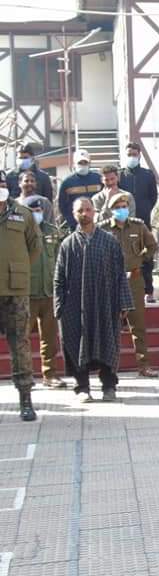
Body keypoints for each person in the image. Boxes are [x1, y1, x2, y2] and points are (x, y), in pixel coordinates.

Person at [54, 197, 132, 403]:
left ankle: (108, 385)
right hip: (75, 307)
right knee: (76, 343)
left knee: (107, 341)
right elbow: (59, 278)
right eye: (81, 210)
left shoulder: (109, 241)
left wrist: (124, 302)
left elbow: (120, 274)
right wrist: (59, 307)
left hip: (105, 304)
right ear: (74, 214)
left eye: (88, 210)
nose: (85, 214)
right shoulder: (67, 245)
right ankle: (82, 387)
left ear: (94, 212)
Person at [99, 194, 159, 378]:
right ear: (111, 209)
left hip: (134, 280)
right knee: (110, 326)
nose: (121, 209)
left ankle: (144, 366)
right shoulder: (102, 229)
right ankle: (109, 368)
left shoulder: (138, 226)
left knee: (138, 325)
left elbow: (152, 246)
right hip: (110, 282)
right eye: (118, 206)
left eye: (124, 205)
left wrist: (140, 260)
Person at [1, 171, 41, 420]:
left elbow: (34, 248)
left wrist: (18, 268)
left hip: (15, 290)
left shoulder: (22, 213)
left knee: (21, 345)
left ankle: (25, 399)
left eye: (2, 183)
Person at [23, 196, 66, 390]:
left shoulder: (52, 231)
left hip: (49, 292)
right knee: (22, 338)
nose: (36, 214)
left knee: (49, 337)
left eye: (39, 210)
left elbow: (58, 260)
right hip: (27, 292)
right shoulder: (19, 232)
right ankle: (25, 376)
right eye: (32, 211)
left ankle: (50, 374)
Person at [119, 142, 159, 301]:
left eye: (134, 154)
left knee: (146, 257)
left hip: (143, 222)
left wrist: (146, 208)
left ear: (139, 155)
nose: (132, 157)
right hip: (124, 223)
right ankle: (125, 292)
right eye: (129, 154)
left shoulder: (148, 174)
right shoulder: (121, 175)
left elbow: (153, 197)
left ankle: (149, 291)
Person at [58, 149, 103, 230]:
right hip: (76, 225)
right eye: (80, 163)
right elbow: (62, 205)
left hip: (98, 224)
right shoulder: (67, 182)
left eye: (85, 163)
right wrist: (72, 222)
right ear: (74, 163)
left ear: (89, 163)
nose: (83, 165)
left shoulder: (99, 179)